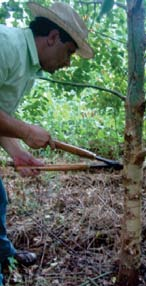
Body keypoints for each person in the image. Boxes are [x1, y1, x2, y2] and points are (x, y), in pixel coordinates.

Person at [0, 1, 93, 284]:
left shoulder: (28, 66)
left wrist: (17, 151)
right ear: (52, 37)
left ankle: (4, 255)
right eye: (68, 53)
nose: (67, 63)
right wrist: (26, 131)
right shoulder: (6, 45)